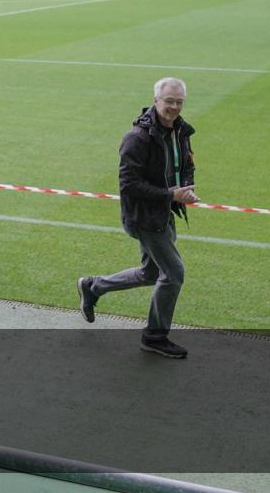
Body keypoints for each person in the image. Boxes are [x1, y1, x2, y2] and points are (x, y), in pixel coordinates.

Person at [77, 77, 197, 358]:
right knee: (174, 272)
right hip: (145, 218)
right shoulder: (137, 138)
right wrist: (171, 194)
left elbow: (187, 162)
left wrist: (187, 188)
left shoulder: (180, 131)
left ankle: (93, 287)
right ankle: (155, 336)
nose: (174, 107)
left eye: (179, 102)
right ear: (155, 100)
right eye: (169, 101)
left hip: (164, 211)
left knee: (151, 273)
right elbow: (128, 185)